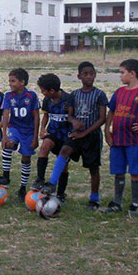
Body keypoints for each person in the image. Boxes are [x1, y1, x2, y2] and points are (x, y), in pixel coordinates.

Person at [41, 62, 108, 210]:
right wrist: (74, 121)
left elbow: (102, 118)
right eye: (85, 74)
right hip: (75, 134)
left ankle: (94, 199)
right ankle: (52, 184)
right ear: (79, 76)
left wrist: (85, 131)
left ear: (95, 75)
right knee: (64, 151)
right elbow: (69, 116)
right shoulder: (74, 95)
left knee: (93, 168)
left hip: (92, 136)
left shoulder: (100, 95)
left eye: (91, 73)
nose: (89, 76)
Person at [102, 59, 138, 216]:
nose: (120, 76)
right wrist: (107, 129)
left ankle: (134, 204)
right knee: (118, 171)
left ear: (132, 74)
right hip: (117, 139)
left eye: (122, 72)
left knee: (135, 171)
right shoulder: (119, 92)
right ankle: (117, 202)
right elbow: (111, 111)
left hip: (132, 141)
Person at [0, 68, 40, 203]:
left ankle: (23, 187)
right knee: (8, 146)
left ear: (22, 82)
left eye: (13, 81)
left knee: (26, 158)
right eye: (9, 81)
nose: (10, 84)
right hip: (15, 128)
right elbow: (5, 115)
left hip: (28, 131)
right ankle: (6, 177)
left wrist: (35, 136)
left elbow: (36, 117)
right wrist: (4, 135)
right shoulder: (8, 96)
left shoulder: (31, 96)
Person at [31, 73, 81, 202]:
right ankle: (40, 179)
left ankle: (60, 194)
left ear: (52, 90)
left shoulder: (68, 99)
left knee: (63, 165)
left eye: (43, 90)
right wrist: (43, 129)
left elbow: (75, 117)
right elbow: (46, 115)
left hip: (67, 137)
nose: (42, 93)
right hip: (53, 133)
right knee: (44, 146)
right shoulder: (47, 100)